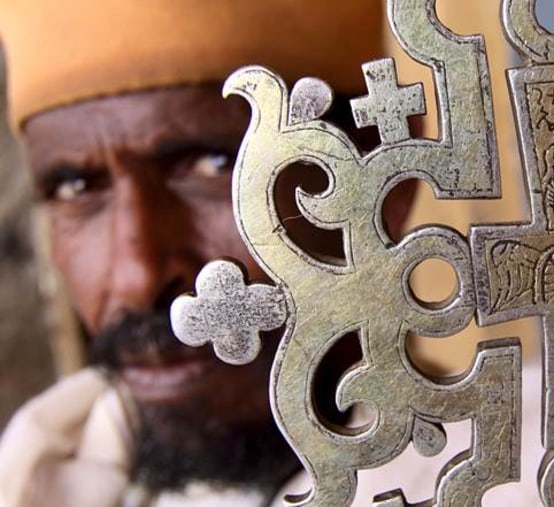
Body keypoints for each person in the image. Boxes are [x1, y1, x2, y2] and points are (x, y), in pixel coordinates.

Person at [0, 1, 393, 505]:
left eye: (212, 164)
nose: (136, 279)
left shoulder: (515, 469)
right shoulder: (33, 477)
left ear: (382, 183)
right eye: (77, 187)